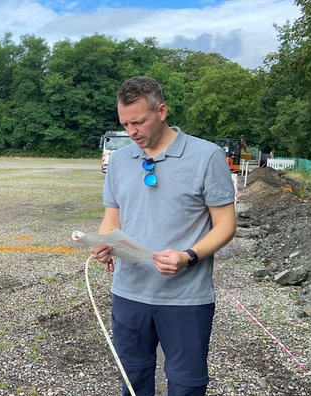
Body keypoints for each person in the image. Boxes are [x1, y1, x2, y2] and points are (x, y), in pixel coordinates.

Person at [90, 76, 236, 396]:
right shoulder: (119, 162)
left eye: (139, 122)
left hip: (185, 299)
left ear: (162, 111)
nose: (132, 132)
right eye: (125, 124)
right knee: (133, 380)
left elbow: (226, 225)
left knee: (186, 386)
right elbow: (111, 219)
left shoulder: (206, 156)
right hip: (129, 295)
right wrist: (105, 242)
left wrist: (188, 256)